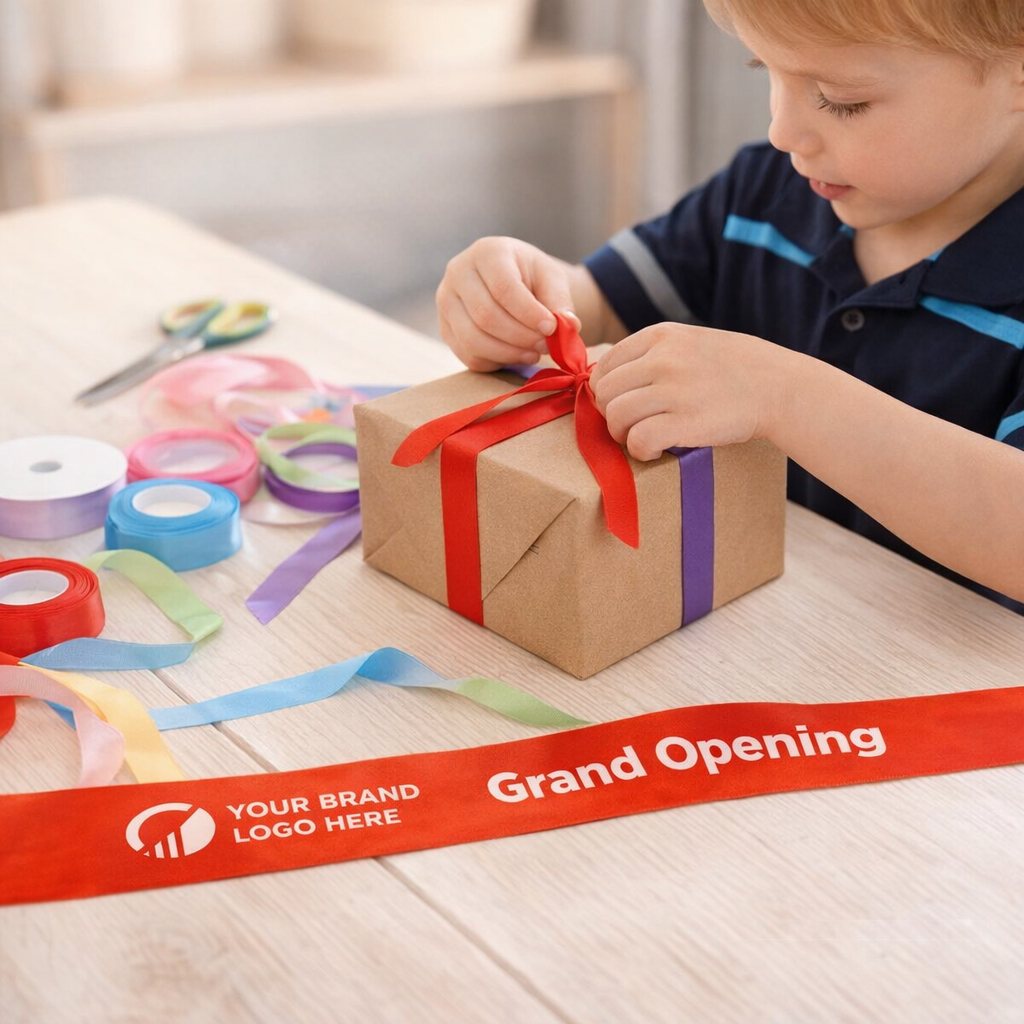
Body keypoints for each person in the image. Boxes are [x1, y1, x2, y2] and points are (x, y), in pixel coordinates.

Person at [434, 0, 1024, 613]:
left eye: (840, 99)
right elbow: (598, 303)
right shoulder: (764, 190)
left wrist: (783, 396)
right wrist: (524, 295)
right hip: (767, 629)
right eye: (762, 66)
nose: (783, 131)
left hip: (946, 682)